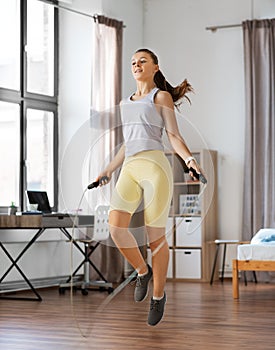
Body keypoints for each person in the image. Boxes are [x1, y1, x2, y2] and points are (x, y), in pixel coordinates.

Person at [95, 48, 205, 326]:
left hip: (155, 167)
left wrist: (190, 159)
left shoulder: (161, 96)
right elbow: (126, 144)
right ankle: (142, 271)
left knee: (156, 239)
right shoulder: (124, 103)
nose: (136, 65)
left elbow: (173, 136)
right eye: (133, 62)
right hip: (130, 167)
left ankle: (158, 296)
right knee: (116, 228)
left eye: (142, 61)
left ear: (155, 67)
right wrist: (107, 170)